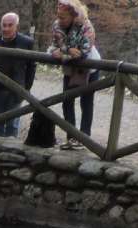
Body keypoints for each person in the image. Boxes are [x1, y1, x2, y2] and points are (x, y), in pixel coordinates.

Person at [49, 0, 100, 149]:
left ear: (73, 16)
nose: (60, 20)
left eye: (63, 17)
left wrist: (63, 52)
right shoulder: (57, 25)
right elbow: (54, 45)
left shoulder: (86, 26)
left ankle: (84, 138)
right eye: (58, 16)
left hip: (90, 67)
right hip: (70, 68)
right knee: (67, 100)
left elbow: (83, 52)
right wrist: (59, 51)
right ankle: (71, 136)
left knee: (86, 102)